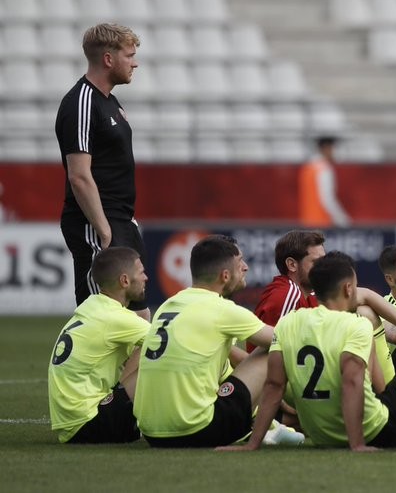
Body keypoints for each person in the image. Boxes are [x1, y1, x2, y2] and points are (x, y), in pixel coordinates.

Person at [223, 252, 396, 451]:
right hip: (376, 432)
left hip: (321, 436)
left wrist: (253, 444)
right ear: (348, 289)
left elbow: (273, 386)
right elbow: (352, 383)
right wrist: (357, 444)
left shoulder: (288, 323)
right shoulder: (358, 325)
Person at [133, 235, 287, 447]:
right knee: (271, 350)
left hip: (152, 433)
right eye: (240, 262)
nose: (246, 267)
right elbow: (284, 340)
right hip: (198, 430)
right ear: (225, 276)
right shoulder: (222, 310)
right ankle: (274, 422)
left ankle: (270, 422)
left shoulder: (167, 305)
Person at [55, 23, 147, 315]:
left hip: (121, 220)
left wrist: (126, 224)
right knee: (102, 321)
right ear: (108, 59)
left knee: (140, 318)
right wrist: (104, 232)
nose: (135, 62)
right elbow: (79, 175)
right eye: (129, 55)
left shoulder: (111, 102)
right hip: (98, 223)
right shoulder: (81, 102)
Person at [48, 246, 150, 444]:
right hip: (90, 422)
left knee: (152, 350)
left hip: (73, 424)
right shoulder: (114, 318)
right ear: (125, 281)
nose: (146, 277)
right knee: (166, 359)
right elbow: (169, 343)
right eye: (142, 272)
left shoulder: (93, 306)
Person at [298, 136, 351, 228]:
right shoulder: (324, 169)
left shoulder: (307, 168)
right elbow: (327, 199)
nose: (335, 153)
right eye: (333, 149)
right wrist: (343, 221)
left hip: (308, 223)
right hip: (322, 224)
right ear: (326, 149)